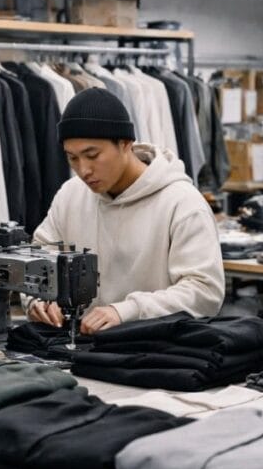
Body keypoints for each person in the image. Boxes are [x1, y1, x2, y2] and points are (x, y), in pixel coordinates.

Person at [26, 88, 224, 335]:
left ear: (125, 144)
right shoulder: (71, 194)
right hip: (81, 345)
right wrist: (39, 299)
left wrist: (127, 311)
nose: (83, 169)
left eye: (92, 155)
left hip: (154, 347)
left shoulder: (182, 203)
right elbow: (38, 259)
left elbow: (205, 292)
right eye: (72, 158)